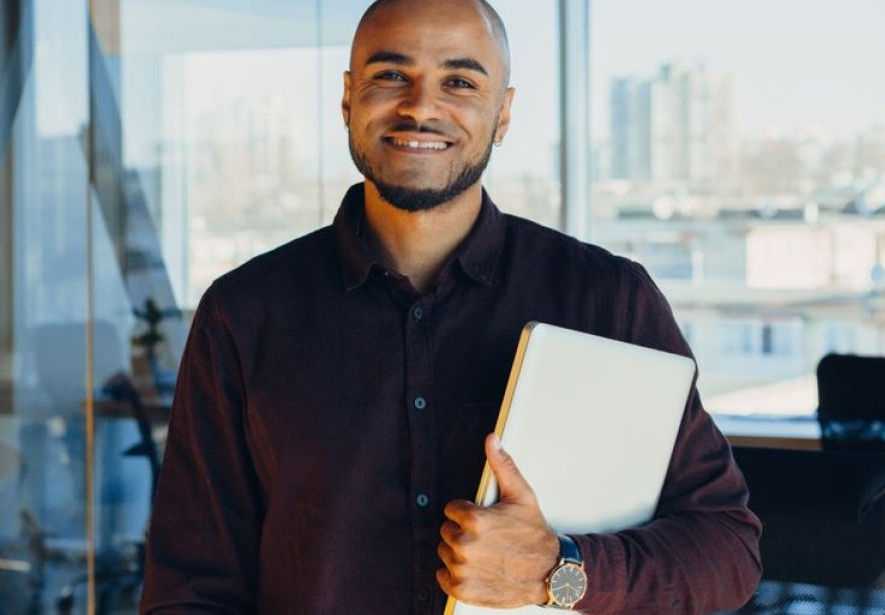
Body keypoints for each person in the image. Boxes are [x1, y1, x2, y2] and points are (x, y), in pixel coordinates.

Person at [140, 0, 762, 613]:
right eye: (390, 76)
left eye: (459, 81)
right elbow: (191, 587)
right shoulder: (244, 313)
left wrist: (560, 569)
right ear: (347, 99)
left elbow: (727, 551)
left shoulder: (609, 301)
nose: (421, 106)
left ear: (503, 113)